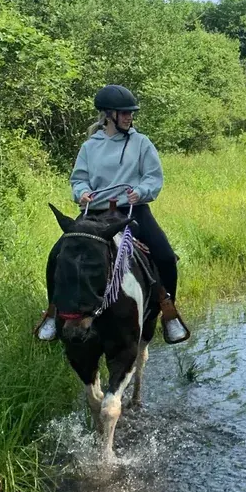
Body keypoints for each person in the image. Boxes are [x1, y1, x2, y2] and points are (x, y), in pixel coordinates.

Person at [35, 85, 190, 344]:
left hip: (132, 211)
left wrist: (140, 191)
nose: (129, 117)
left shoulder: (141, 143)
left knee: (165, 256)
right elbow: (79, 179)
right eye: (124, 113)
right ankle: (53, 313)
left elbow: (153, 177)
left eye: (131, 113)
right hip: (94, 214)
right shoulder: (89, 147)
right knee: (58, 255)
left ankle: (168, 311)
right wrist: (82, 192)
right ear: (108, 115)